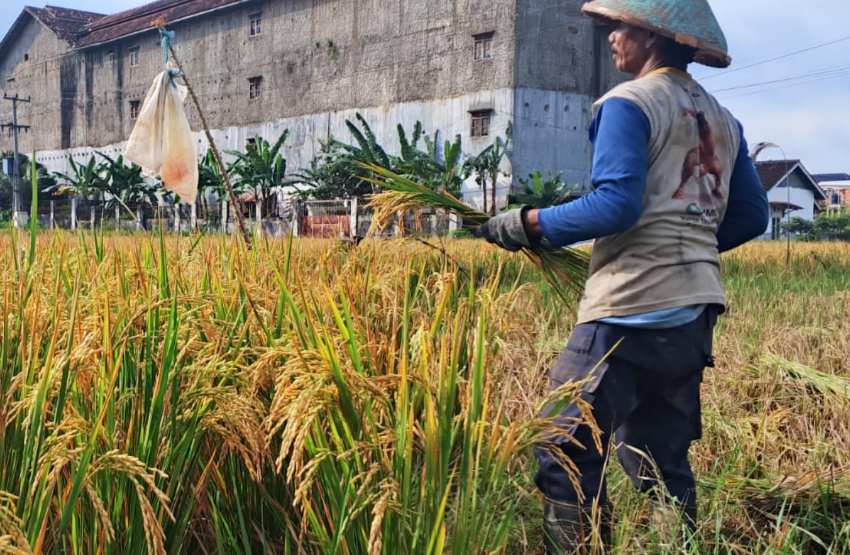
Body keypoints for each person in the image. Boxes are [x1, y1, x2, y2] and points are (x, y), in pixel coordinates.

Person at [475, 0, 770, 552]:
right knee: (661, 457)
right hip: (694, 313)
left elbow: (614, 205)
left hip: (629, 307)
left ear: (653, 35)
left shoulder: (628, 103)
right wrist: (687, 246)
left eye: (620, 26)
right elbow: (753, 217)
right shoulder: (724, 119)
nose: (611, 37)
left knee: (563, 443)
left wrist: (529, 223)